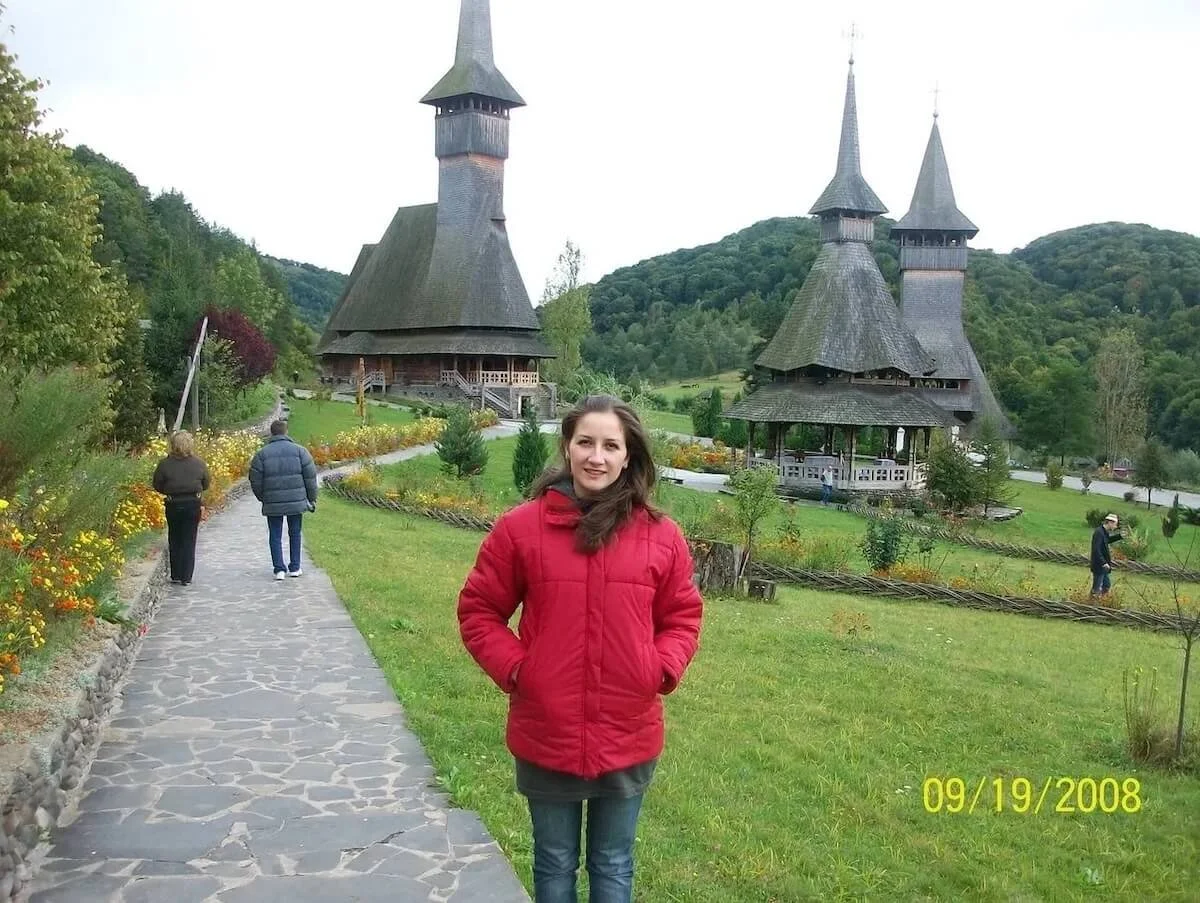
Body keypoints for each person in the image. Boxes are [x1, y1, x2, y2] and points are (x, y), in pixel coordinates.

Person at [457, 395, 703, 903]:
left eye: (611, 445)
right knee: (553, 863)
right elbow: (479, 611)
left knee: (613, 865)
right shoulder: (520, 529)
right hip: (548, 729)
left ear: (628, 456)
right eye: (585, 442)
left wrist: (656, 669)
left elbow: (682, 617)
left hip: (627, 730)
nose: (597, 456)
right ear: (567, 447)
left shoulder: (662, 536)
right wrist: (523, 673)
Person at [249, 419, 318, 581]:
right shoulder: (300, 452)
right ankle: (295, 567)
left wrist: (263, 498)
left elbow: (255, 480)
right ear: (286, 432)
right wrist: (311, 499)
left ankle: (279, 569)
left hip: (272, 501)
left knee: (275, 535)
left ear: (272, 433)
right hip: (296, 500)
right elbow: (310, 478)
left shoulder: (262, 455)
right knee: (295, 533)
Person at [151, 430, 210, 586]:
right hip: (192, 503)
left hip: (173, 503)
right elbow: (206, 483)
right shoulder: (199, 463)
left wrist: (170, 490)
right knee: (189, 539)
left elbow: (157, 484)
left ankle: (176, 573)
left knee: (175, 537)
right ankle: (186, 576)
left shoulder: (165, 464)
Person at [1089, 513, 1123, 596]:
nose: (1115, 527)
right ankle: (1091, 604)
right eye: (1115, 524)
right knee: (1096, 588)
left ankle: (1102, 602)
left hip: (1103, 566)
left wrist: (1120, 536)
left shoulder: (1104, 532)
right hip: (1099, 565)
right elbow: (1096, 550)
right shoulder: (1099, 533)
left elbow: (1106, 541)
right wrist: (1103, 562)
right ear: (1110, 522)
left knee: (1106, 585)